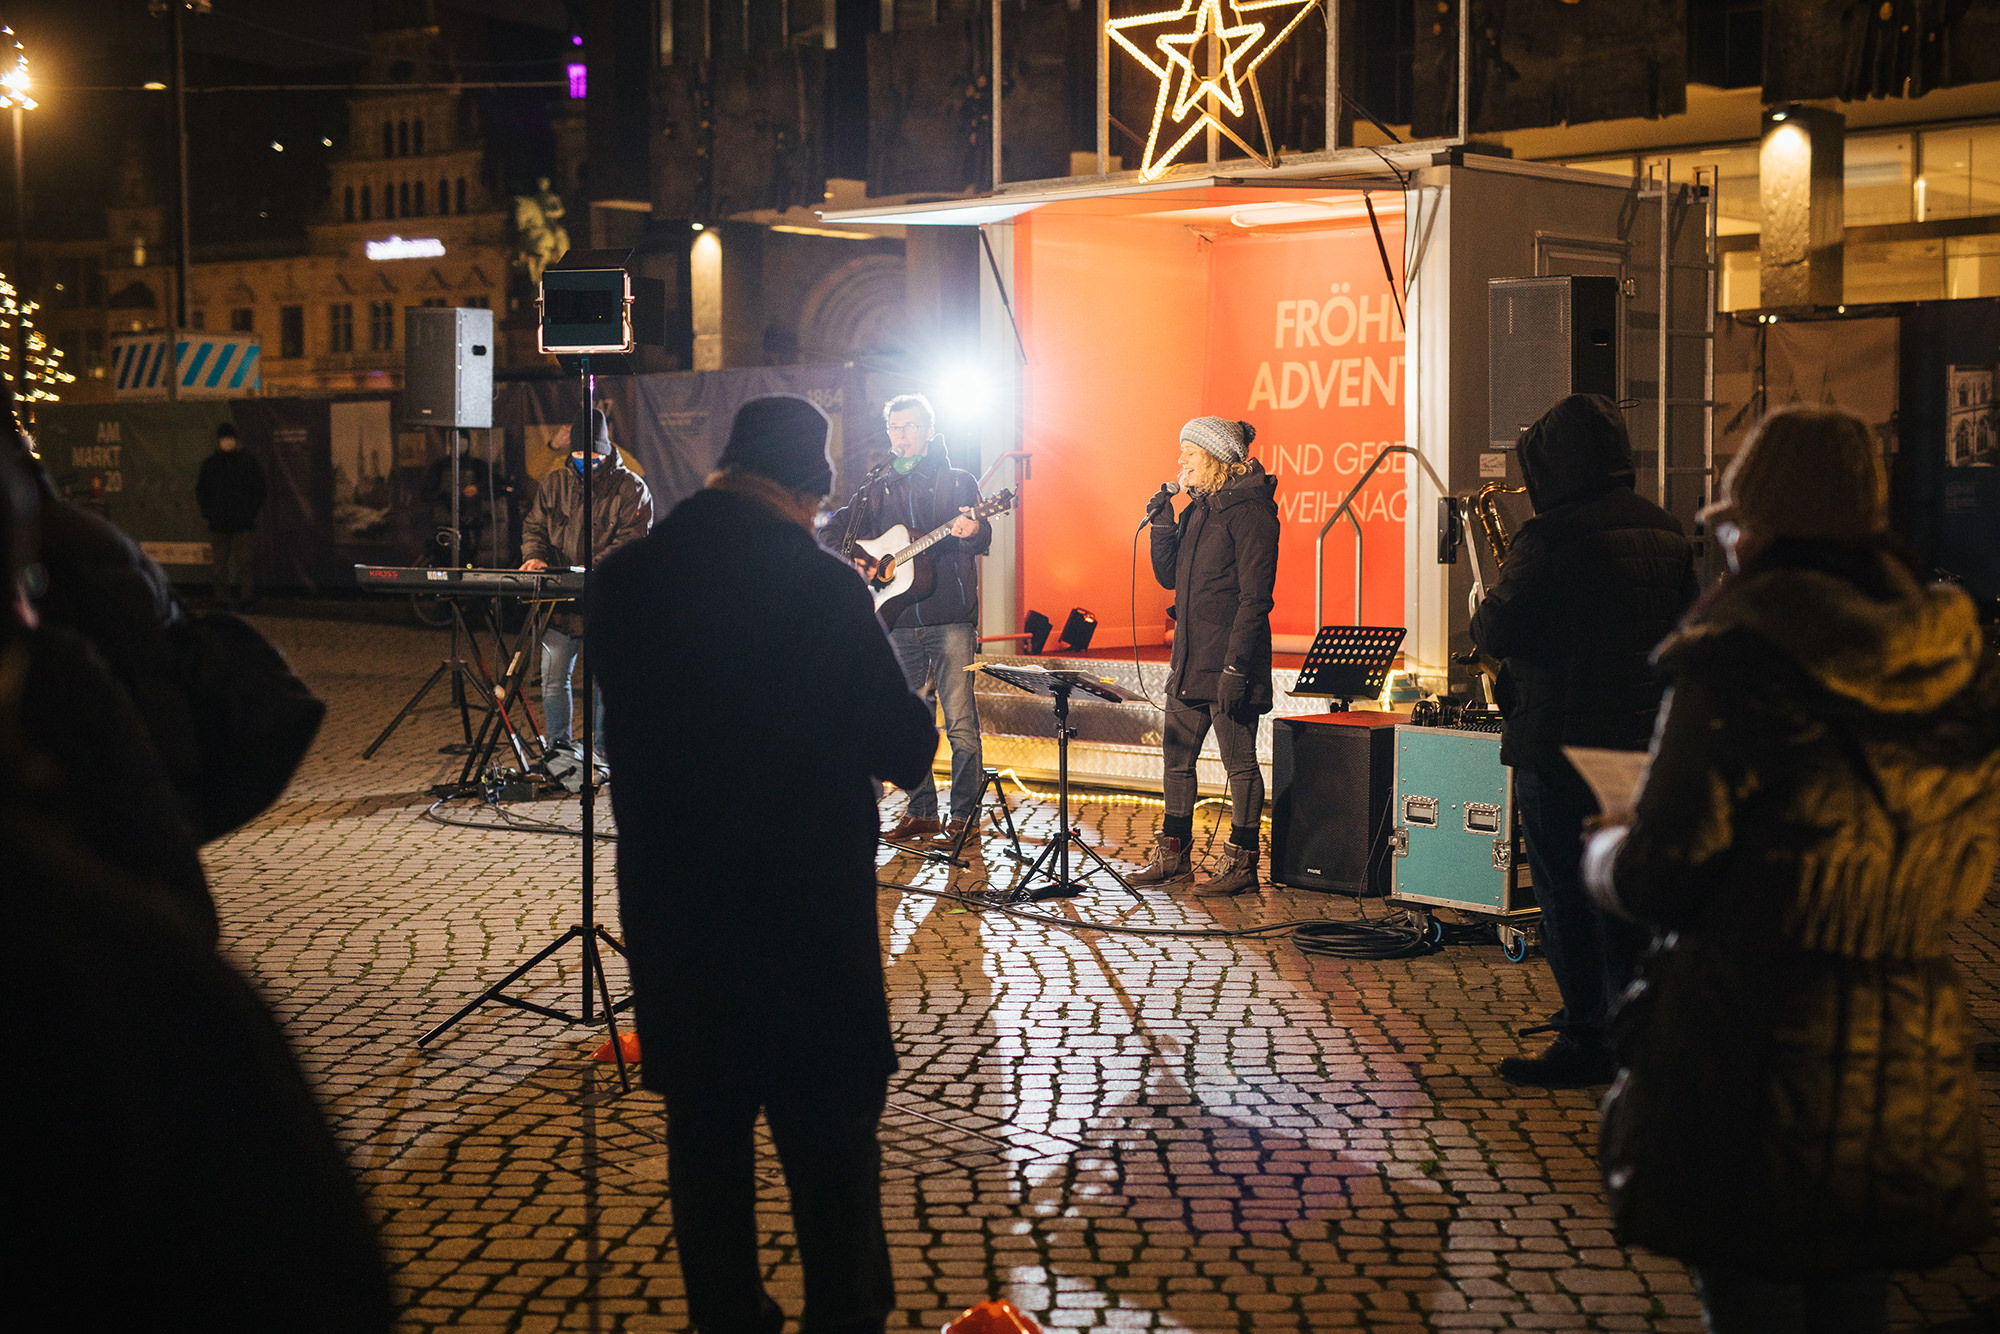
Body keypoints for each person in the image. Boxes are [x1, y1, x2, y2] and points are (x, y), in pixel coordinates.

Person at [1581, 405, 2000, 1333]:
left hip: (1753, 1041)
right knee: (1854, 1296)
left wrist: (1608, 844)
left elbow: (1661, 873)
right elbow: (1964, 873)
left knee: (1754, 1295)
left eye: (1730, 524)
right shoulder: (1954, 661)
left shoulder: (1738, 655)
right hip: (1905, 1047)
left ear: (1757, 525)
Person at [593, 395, 936, 1334]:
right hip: (803, 934)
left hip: (677, 924)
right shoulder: (819, 586)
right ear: (806, 492)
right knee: (831, 1166)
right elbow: (903, 749)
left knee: (704, 1151)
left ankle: (728, 1320)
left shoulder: (623, 583)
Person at [1467, 393, 1696, 1086]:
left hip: (1561, 740)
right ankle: (1633, 1024)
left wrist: (1485, 602)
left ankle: (1587, 1037)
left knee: (1565, 892)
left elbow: (1498, 632)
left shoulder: (1548, 536)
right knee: (1625, 887)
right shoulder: (1665, 529)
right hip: (1639, 737)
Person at [825, 393, 991, 844]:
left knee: (960, 723)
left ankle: (964, 818)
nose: (902, 435)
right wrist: (862, 560)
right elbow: (837, 530)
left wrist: (975, 527)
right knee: (906, 718)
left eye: (910, 427)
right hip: (896, 616)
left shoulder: (957, 480)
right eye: (895, 428)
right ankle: (922, 812)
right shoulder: (876, 484)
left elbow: (982, 535)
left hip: (950, 616)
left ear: (929, 430)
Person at [1130, 416, 1279, 897]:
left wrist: (1236, 668)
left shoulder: (1250, 512)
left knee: (1240, 764)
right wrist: (1162, 522)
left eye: (1189, 454)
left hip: (1231, 662)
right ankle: (1173, 858)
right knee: (1176, 760)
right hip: (1190, 659)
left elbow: (1255, 599)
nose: (1181, 463)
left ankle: (1241, 864)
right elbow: (1170, 576)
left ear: (1215, 458)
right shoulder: (1198, 509)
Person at [519, 408, 652, 759]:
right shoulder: (553, 483)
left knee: (604, 683)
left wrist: (586, 570)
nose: (585, 461)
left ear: (606, 450)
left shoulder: (631, 487)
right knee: (553, 679)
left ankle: (602, 754)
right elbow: (534, 528)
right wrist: (536, 556)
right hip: (560, 604)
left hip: (608, 601)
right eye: (578, 455)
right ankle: (559, 750)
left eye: (593, 455)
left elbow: (632, 542)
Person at [194, 422, 267, 608]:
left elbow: (260, 489)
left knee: (240, 564)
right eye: (224, 438)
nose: (226, 442)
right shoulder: (241, 462)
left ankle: (239, 599)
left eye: (228, 438)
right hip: (231, 522)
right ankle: (233, 599)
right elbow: (201, 491)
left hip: (233, 522)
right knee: (228, 565)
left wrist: (209, 513)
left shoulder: (219, 463)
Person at [419, 433, 501, 566]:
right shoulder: (439, 466)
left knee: (470, 560)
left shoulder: (478, 465)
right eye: (457, 441)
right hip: (445, 524)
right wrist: (445, 496)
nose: (460, 445)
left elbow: (494, 487)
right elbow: (426, 493)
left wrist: (477, 488)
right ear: (450, 443)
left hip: (471, 525)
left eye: (463, 441)